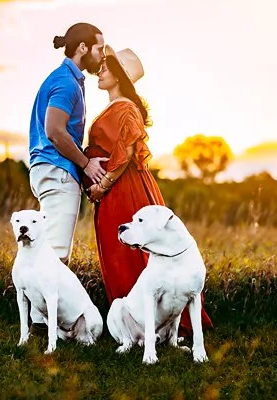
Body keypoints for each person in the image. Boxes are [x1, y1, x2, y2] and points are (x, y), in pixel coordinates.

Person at [83, 46, 212, 336]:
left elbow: (126, 150)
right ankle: (134, 322)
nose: (99, 72)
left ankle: (155, 323)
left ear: (119, 76)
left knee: (132, 252)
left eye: (105, 68)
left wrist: (102, 186)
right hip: (116, 188)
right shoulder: (118, 106)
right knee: (120, 253)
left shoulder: (126, 107)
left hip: (123, 189)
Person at [28, 23, 108, 264]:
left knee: (46, 253)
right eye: (99, 49)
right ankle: (41, 302)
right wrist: (86, 164)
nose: (102, 56)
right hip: (58, 171)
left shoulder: (67, 78)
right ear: (83, 48)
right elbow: (54, 131)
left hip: (49, 169)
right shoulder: (66, 82)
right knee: (56, 256)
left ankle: (36, 302)